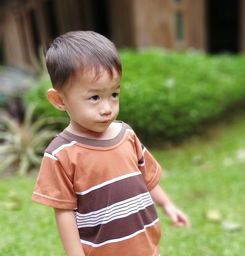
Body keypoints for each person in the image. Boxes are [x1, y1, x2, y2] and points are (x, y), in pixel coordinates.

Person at [32, 31, 190, 256]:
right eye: (94, 97)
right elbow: (64, 213)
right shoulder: (61, 154)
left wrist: (168, 205)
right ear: (59, 100)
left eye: (114, 94)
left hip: (147, 246)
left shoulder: (126, 134)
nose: (107, 108)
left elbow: (148, 178)